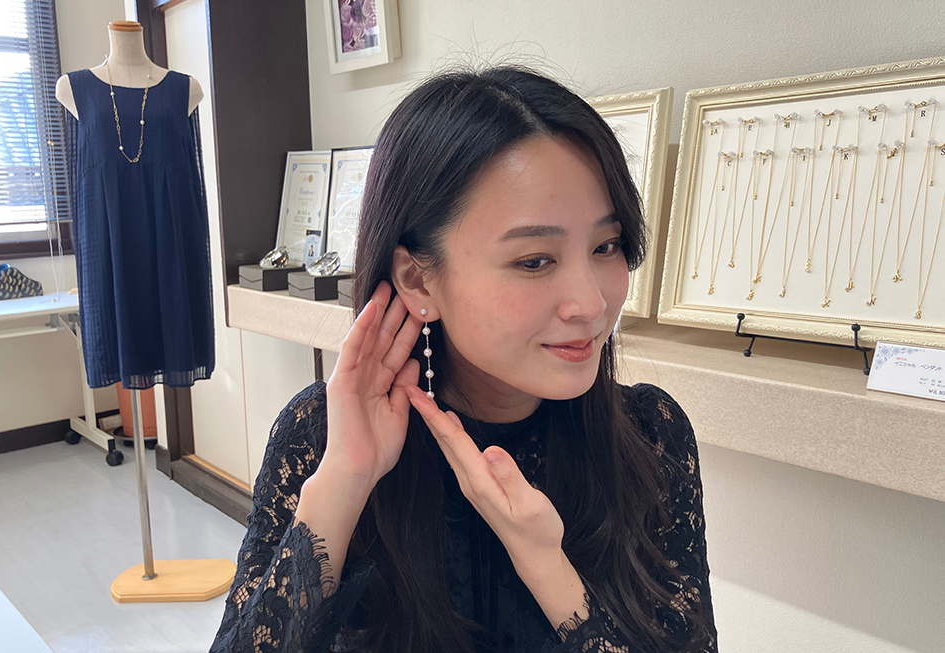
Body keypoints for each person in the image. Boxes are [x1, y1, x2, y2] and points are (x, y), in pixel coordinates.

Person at [209, 64, 718, 653]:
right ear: (418, 280)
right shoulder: (322, 435)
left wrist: (548, 569)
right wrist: (345, 480)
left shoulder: (650, 434)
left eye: (606, 246)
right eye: (534, 260)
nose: (591, 303)